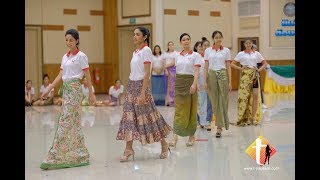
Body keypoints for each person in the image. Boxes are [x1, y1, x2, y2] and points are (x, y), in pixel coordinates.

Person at [40, 29, 96, 170]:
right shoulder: (65, 56)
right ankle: (79, 153)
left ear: (77, 40)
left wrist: (91, 93)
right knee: (72, 122)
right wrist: (48, 89)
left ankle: (56, 153)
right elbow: (61, 75)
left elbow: (87, 76)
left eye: (71, 40)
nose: (68, 42)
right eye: (66, 40)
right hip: (66, 91)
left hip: (75, 90)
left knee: (65, 121)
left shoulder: (81, 56)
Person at [116, 26, 172, 162]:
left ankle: (164, 144)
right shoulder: (135, 52)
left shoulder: (146, 50)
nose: (134, 37)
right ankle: (129, 148)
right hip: (132, 85)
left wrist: (142, 94)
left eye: (137, 34)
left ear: (145, 37)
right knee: (129, 117)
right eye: (133, 34)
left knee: (149, 117)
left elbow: (147, 73)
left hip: (142, 87)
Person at [169, 33, 201, 147]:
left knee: (191, 110)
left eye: (188, 39)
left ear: (190, 41)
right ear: (180, 42)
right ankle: (174, 136)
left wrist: (194, 84)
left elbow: (196, 71)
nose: (186, 41)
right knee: (178, 110)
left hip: (190, 82)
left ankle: (191, 136)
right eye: (183, 39)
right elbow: (175, 71)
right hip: (179, 83)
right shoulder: (177, 55)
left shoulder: (196, 55)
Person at [230, 38, 268, 126]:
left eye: (250, 43)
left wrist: (258, 69)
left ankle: (253, 118)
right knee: (244, 97)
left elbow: (265, 63)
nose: (248, 44)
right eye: (246, 43)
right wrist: (240, 68)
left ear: (252, 44)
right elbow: (232, 64)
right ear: (244, 44)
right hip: (245, 77)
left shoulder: (256, 54)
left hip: (254, 76)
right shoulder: (241, 54)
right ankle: (243, 118)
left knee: (255, 96)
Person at [203, 30, 232, 138]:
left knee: (223, 100)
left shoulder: (226, 51)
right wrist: (205, 81)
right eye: (216, 37)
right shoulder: (208, 51)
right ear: (213, 39)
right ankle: (218, 125)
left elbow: (228, 66)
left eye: (220, 37)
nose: (218, 39)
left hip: (223, 75)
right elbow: (206, 67)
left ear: (222, 38)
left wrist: (230, 82)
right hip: (211, 75)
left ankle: (220, 126)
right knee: (214, 101)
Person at [193, 41, 210, 130]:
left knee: (204, 102)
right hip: (198, 80)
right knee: (199, 102)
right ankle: (198, 121)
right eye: (198, 46)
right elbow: (195, 70)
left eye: (201, 46)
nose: (200, 48)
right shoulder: (195, 56)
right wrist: (197, 83)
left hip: (205, 80)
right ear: (196, 47)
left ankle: (203, 121)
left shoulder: (206, 57)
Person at [202, 37, 214, 131]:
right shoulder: (198, 56)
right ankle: (201, 120)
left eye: (207, 45)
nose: (206, 47)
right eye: (204, 45)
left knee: (210, 101)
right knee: (201, 102)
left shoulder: (212, 56)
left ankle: (208, 120)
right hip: (200, 81)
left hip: (210, 80)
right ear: (202, 47)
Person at [252, 44, 268, 109]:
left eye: (254, 48)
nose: (253, 50)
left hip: (256, 76)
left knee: (258, 89)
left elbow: (264, 64)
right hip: (248, 76)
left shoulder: (257, 55)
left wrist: (258, 70)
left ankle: (262, 103)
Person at [163, 41, 178, 107]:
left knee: (173, 86)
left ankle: (173, 101)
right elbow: (164, 62)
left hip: (173, 70)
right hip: (166, 71)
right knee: (167, 86)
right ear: (168, 46)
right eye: (169, 45)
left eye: (172, 45)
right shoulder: (165, 53)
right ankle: (168, 101)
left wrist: (166, 66)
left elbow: (174, 62)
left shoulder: (176, 53)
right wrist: (165, 69)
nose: (171, 46)